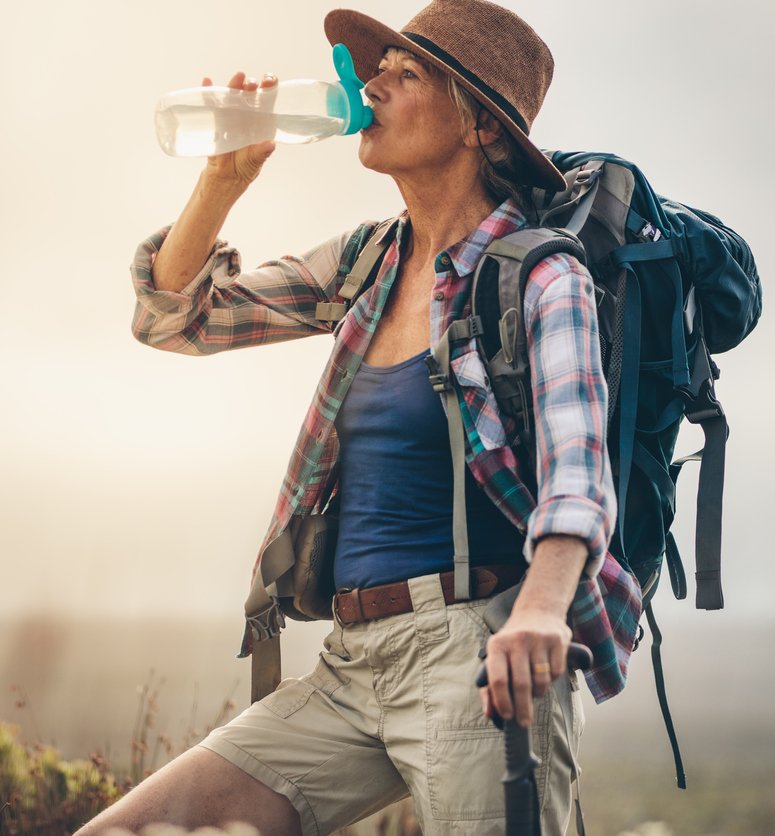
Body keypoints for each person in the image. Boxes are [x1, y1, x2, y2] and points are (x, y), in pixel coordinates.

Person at [79, 2, 641, 833]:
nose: (369, 84)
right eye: (377, 68)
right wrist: (223, 182)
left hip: (476, 657)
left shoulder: (542, 278)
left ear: (480, 126)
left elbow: (578, 476)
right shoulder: (368, 260)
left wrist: (540, 612)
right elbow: (177, 318)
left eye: (404, 73)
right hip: (351, 664)